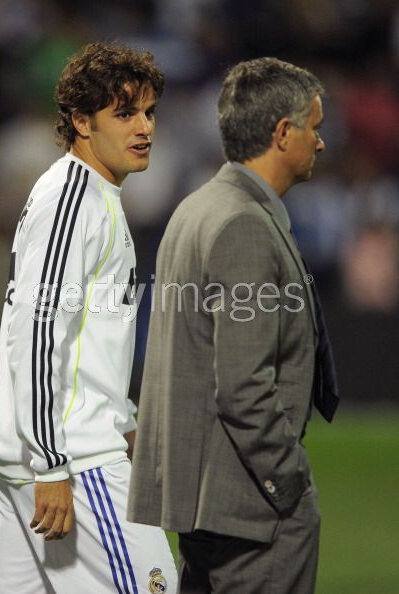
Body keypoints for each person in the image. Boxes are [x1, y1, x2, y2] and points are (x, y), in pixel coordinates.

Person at [127, 57, 339, 594]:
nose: (321, 142)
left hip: (202, 499)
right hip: (248, 508)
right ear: (282, 133)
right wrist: (287, 480)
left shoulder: (197, 207)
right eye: (314, 127)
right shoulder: (244, 223)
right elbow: (243, 385)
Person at [0, 41, 177, 594]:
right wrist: (51, 463)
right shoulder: (73, 200)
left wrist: (125, 418)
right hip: (72, 458)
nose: (145, 127)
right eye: (125, 113)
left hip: (39, 452)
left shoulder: (90, 194)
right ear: (81, 122)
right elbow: (38, 331)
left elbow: (89, 332)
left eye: (149, 112)